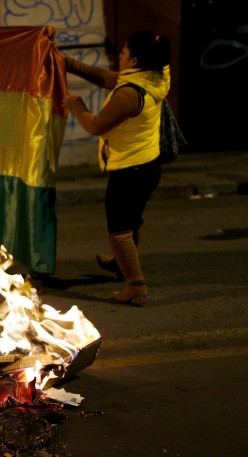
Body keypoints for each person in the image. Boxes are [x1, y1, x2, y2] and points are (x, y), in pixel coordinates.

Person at [63, 30, 171, 305]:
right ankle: (120, 263)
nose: (118, 56)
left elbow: (96, 125)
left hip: (131, 170)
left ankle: (135, 284)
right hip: (147, 164)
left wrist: (77, 105)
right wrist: (70, 64)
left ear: (133, 60)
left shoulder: (129, 95)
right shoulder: (155, 75)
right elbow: (106, 78)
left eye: (122, 53)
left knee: (119, 229)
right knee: (132, 219)